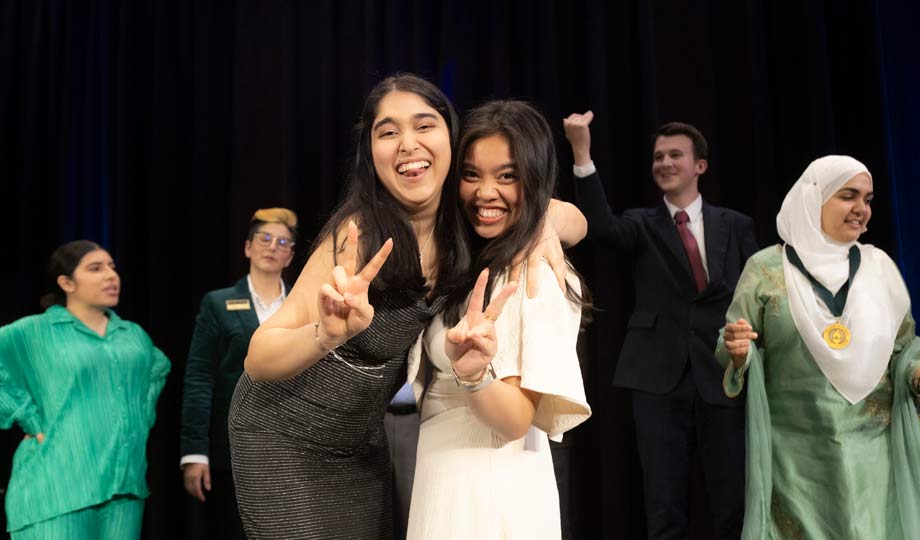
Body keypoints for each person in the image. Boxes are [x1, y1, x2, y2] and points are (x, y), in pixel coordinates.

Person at [227, 74, 579, 539]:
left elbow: (573, 218)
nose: (408, 144)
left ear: (451, 138)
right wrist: (325, 335)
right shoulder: (359, 234)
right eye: (388, 131)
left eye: (424, 125)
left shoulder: (467, 221)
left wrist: (545, 223)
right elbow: (258, 358)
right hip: (284, 433)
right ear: (370, 151)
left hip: (359, 442)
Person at [564, 112, 758, 539]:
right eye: (658, 157)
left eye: (675, 155)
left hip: (722, 373)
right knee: (663, 503)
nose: (664, 163)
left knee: (732, 501)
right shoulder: (640, 223)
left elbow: (755, 294)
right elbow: (601, 228)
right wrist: (582, 152)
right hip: (656, 376)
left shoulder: (736, 225)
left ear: (700, 165)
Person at [407, 101, 592, 539]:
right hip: (444, 474)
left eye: (507, 176)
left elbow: (515, 420)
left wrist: (474, 377)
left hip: (490, 483)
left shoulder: (534, 271)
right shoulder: (461, 260)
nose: (485, 192)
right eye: (471, 174)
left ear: (535, 178)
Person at [718, 155, 920, 539]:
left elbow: (904, 348)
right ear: (814, 198)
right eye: (848, 196)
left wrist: (916, 371)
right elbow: (734, 338)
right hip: (796, 457)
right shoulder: (766, 268)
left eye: (868, 199)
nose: (861, 209)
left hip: (872, 450)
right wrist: (738, 352)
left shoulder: (880, 268)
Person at [0, 240, 170, 539]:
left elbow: (157, 369)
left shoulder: (132, 334)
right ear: (66, 283)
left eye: (112, 267)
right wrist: (26, 416)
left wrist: (138, 419)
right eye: (95, 268)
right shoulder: (36, 331)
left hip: (123, 487)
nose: (110, 275)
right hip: (56, 484)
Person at [179, 208, 297, 540]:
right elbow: (199, 378)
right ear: (247, 247)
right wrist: (194, 451)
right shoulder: (219, 303)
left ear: (290, 256)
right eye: (265, 238)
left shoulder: (303, 306)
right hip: (233, 445)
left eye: (283, 242)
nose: (272, 246)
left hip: (292, 446)